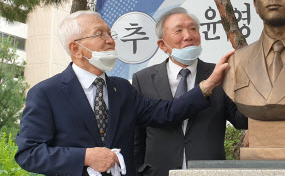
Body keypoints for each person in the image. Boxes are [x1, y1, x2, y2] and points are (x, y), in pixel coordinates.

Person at [15, 10, 233, 176]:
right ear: (76, 49)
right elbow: (29, 154)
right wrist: (85, 157)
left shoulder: (122, 89)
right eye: (99, 34)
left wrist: (206, 86)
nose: (110, 40)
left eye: (110, 33)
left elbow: (166, 112)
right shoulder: (46, 93)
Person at [133, 7, 248, 176]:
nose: (188, 36)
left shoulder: (220, 74)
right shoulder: (143, 79)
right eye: (178, 30)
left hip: (209, 172)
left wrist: (248, 83)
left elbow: (241, 120)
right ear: (162, 45)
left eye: (193, 29)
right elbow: (137, 137)